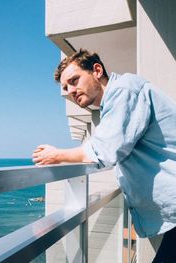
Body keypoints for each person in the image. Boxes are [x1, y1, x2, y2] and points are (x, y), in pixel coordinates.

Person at [32, 49, 176, 262]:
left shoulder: (125, 90)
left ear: (97, 70)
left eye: (74, 80)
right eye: (65, 87)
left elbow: (106, 150)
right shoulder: (115, 102)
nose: (71, 90)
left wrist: (57, 155)